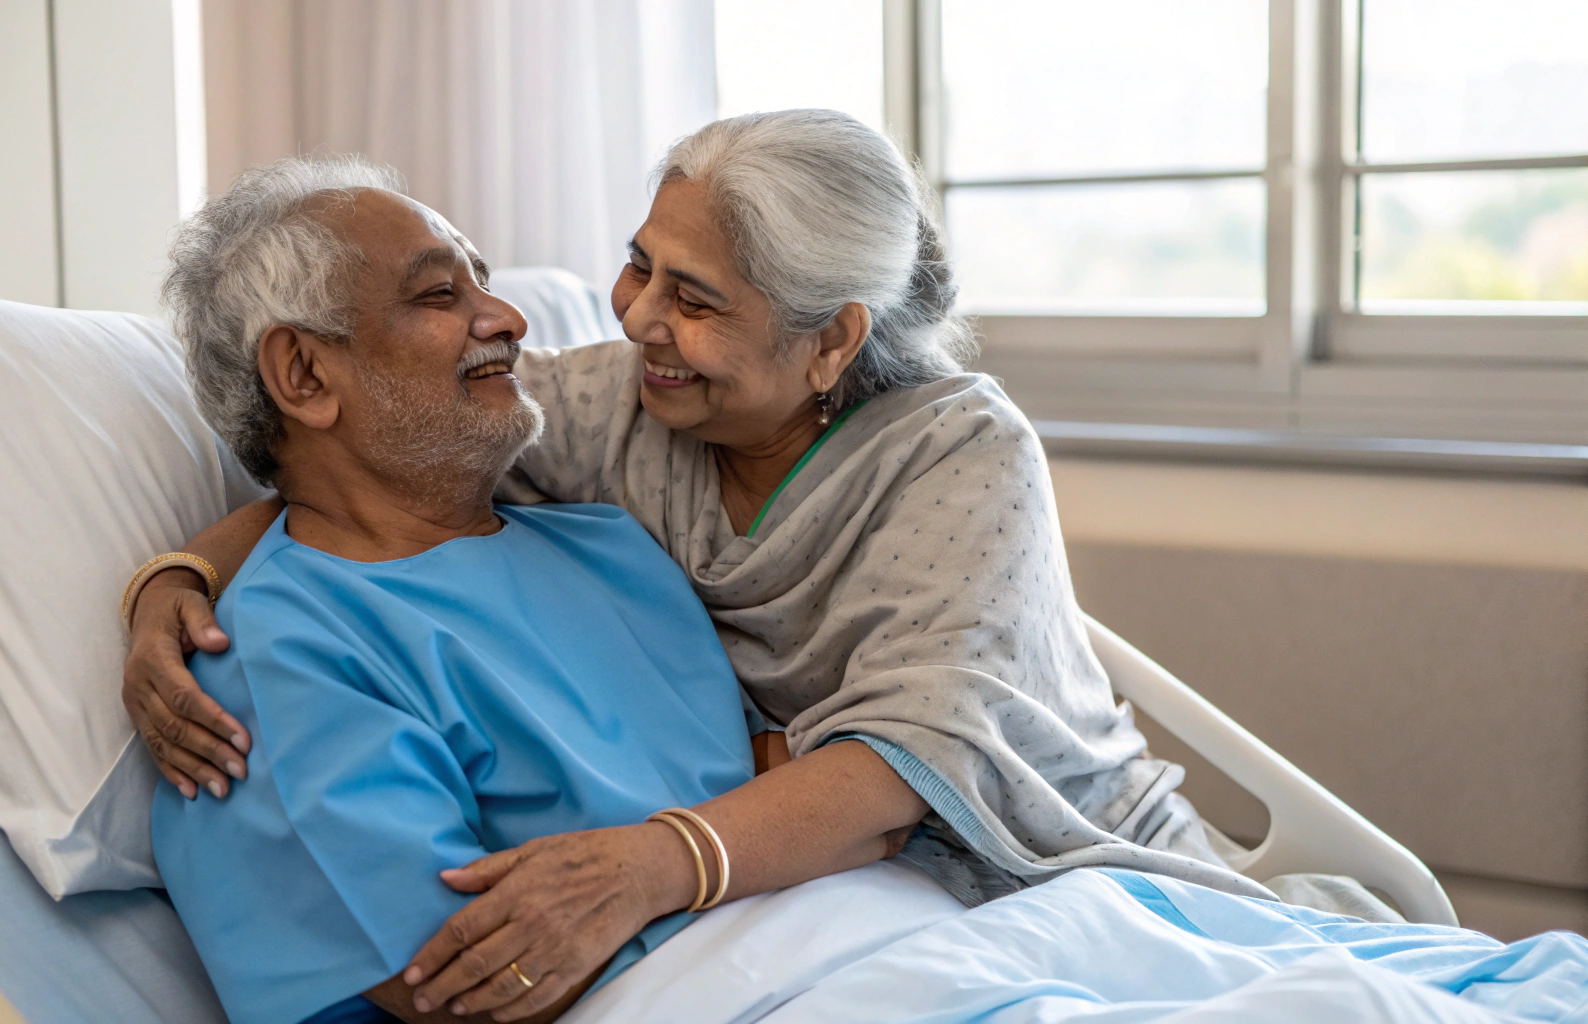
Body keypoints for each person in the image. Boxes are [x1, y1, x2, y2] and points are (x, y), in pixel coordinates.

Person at [128, 110, 1278, 1019]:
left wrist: (662, 858)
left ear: (831, 336)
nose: (605, 319)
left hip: (1029, 870)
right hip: (802, 938)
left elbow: (893, 778)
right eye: (637, 270)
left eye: (692, 299)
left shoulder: (920, 461)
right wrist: (175, 579)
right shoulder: (597, 428)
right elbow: (349, 472)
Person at [152, 159, 928, 1024]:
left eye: (484, 281)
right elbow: (465, 986)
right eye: (439, 295)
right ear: (302, 375)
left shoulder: (606, 545)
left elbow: (780, 775)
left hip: (898, 940)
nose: (511, 319)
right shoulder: (273, 665)